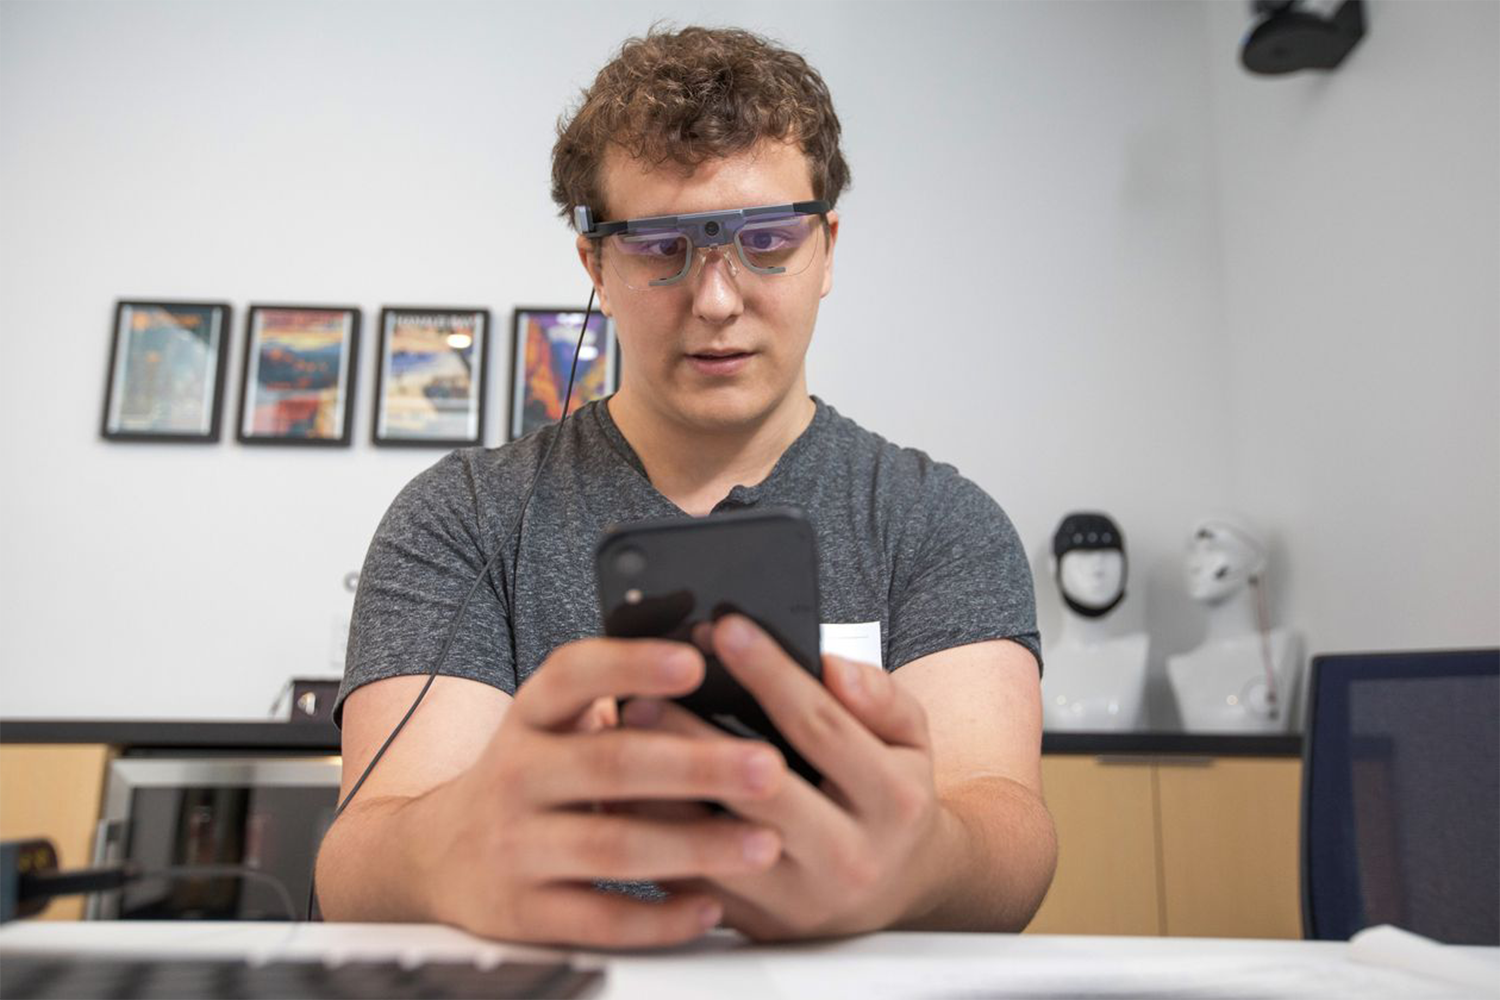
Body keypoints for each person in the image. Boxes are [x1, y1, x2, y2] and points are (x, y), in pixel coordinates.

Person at [315, 25, 1057, 948]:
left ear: (827, 248)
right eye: (662, 246)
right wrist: (438, 852)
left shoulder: (939, 521)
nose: (715, 299)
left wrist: (927, 860)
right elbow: (362, 851)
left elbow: (1005, 826)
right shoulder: (462, 517)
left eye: (770, 240)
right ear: (595, 264)